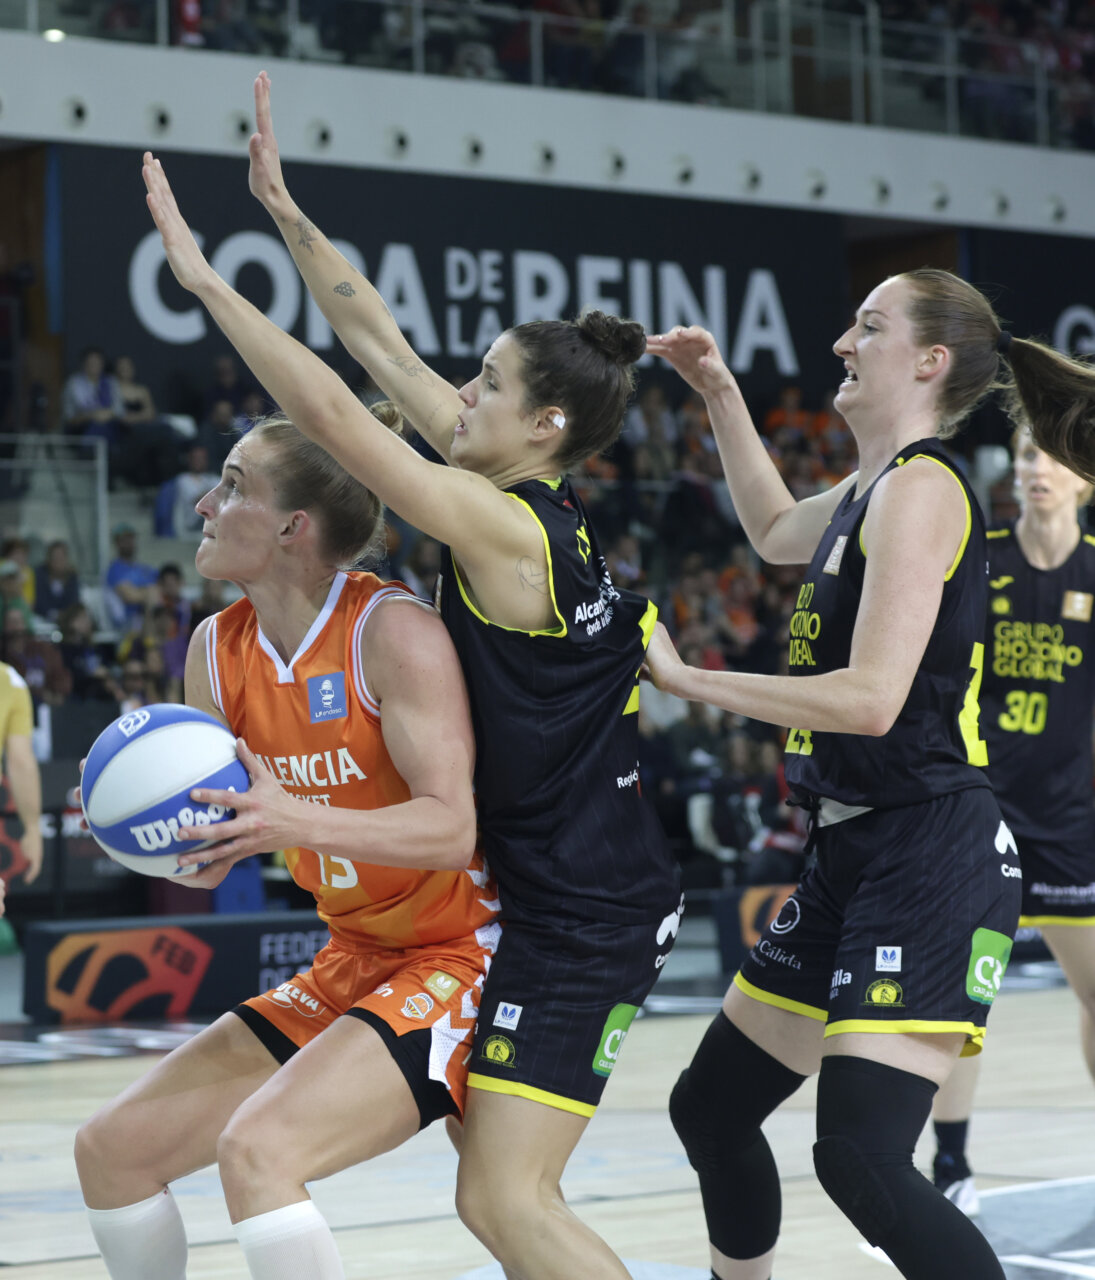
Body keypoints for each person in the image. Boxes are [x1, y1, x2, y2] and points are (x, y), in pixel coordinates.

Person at [141, 71, 681, 1279]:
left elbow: (339, 417)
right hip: (557, 879)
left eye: (486, 384)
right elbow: (375, 337)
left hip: (585, 903)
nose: (461, 394)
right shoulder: (512, 488)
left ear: (543, 427)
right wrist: (285, 212)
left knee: (506, 1197)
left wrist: (208, 283)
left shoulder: (507, 526)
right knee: (500, 1200)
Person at [640, 266, 1095, 1280]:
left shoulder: (924, 490)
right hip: (854, 846)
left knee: (858, 1155)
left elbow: (871, 699)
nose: (843, 343)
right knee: (710, 1108)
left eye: (868, 326)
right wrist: (718, 390)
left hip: (930, 850)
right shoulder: (869, 489)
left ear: (929, 360)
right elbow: (770, 530)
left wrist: (691, 677)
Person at [74, 403, 501, 1280]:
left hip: (463, 953)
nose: (203, 504)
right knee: (110, 1151)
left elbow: (451, 828)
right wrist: (159, 837)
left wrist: (287, 820)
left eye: (232, 486)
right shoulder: (213, 649)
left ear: (290, 527)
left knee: (260, 1153)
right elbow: (213, 861)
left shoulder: (391, 631)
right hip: (353, 954)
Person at [929, 424, 1095, 1215]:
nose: (1036, 468)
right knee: (962, 1000)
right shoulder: (981, 556)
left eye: (1053, 457)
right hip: (980, 808)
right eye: (1027, 453)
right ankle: (950, 1163)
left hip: (1068, 815)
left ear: (1083, 478)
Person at [0, 659, 42, 892]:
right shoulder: (8, 680)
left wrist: (32, 828)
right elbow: (20, 762)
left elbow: (21, 762)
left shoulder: (9, 681)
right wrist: (32, 829)